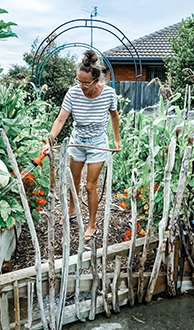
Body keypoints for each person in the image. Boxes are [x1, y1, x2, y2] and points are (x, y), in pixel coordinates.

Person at [43, 50, 120, 241]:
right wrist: (50, 138)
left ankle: (92, 223)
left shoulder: (108, 93)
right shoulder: (73, 93)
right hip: (77, 140)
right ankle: (71, 210)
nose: (81, 85)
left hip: (97, 142)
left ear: (96, 80)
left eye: (86, 82)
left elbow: (114, 116)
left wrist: (117, 140)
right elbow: (61, 120)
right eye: (79, 81)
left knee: (90, 186)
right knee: (73, 180)